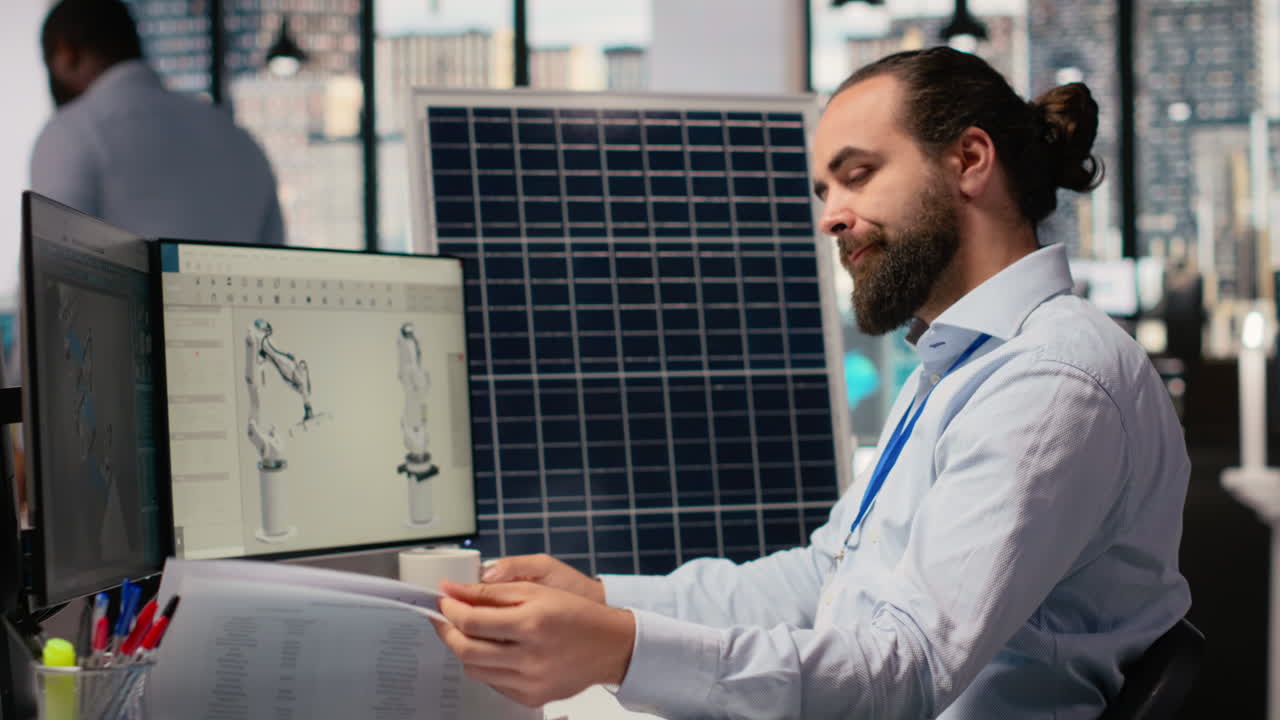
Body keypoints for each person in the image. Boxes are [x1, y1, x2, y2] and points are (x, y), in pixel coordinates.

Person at [432, 47, 1192, 719]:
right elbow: (827, 576)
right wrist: (601, 601)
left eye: (857, 176)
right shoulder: (959, 361)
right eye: (824, 192)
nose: (831, 216)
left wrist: (622, 652)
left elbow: (903, 674)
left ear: (969, 160)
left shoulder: (1048, 381)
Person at [31, 0, 284, 247]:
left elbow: (50, 272)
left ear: (66, 54)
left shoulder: (71, 132)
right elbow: (274, 268)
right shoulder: (241, 141)